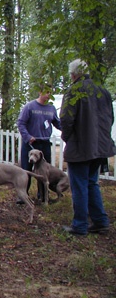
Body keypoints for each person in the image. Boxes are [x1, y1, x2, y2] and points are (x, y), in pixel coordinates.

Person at [60, 59, 115, 236]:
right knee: (92, 183)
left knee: (80, 185)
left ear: (74, 74)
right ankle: (100, 221)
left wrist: (67, 137)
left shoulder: (75, 90)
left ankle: (80, 225)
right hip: (100, 146)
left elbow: (67, 119)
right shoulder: (103, 91)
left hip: (81, 146)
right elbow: (110, 118)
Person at [17, 83, 61, 203]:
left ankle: (42, 195)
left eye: (50, 92)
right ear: (40, 92)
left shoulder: (51, 108)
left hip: (44, 143)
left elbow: (57, 123)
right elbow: (21, 123)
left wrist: (69, 129)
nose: (48, 95)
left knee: (44, 172)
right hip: (31, 144)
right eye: (46, 92)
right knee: (26, 170)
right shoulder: (30, 106)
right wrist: (27, 136)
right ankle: (22, 196)